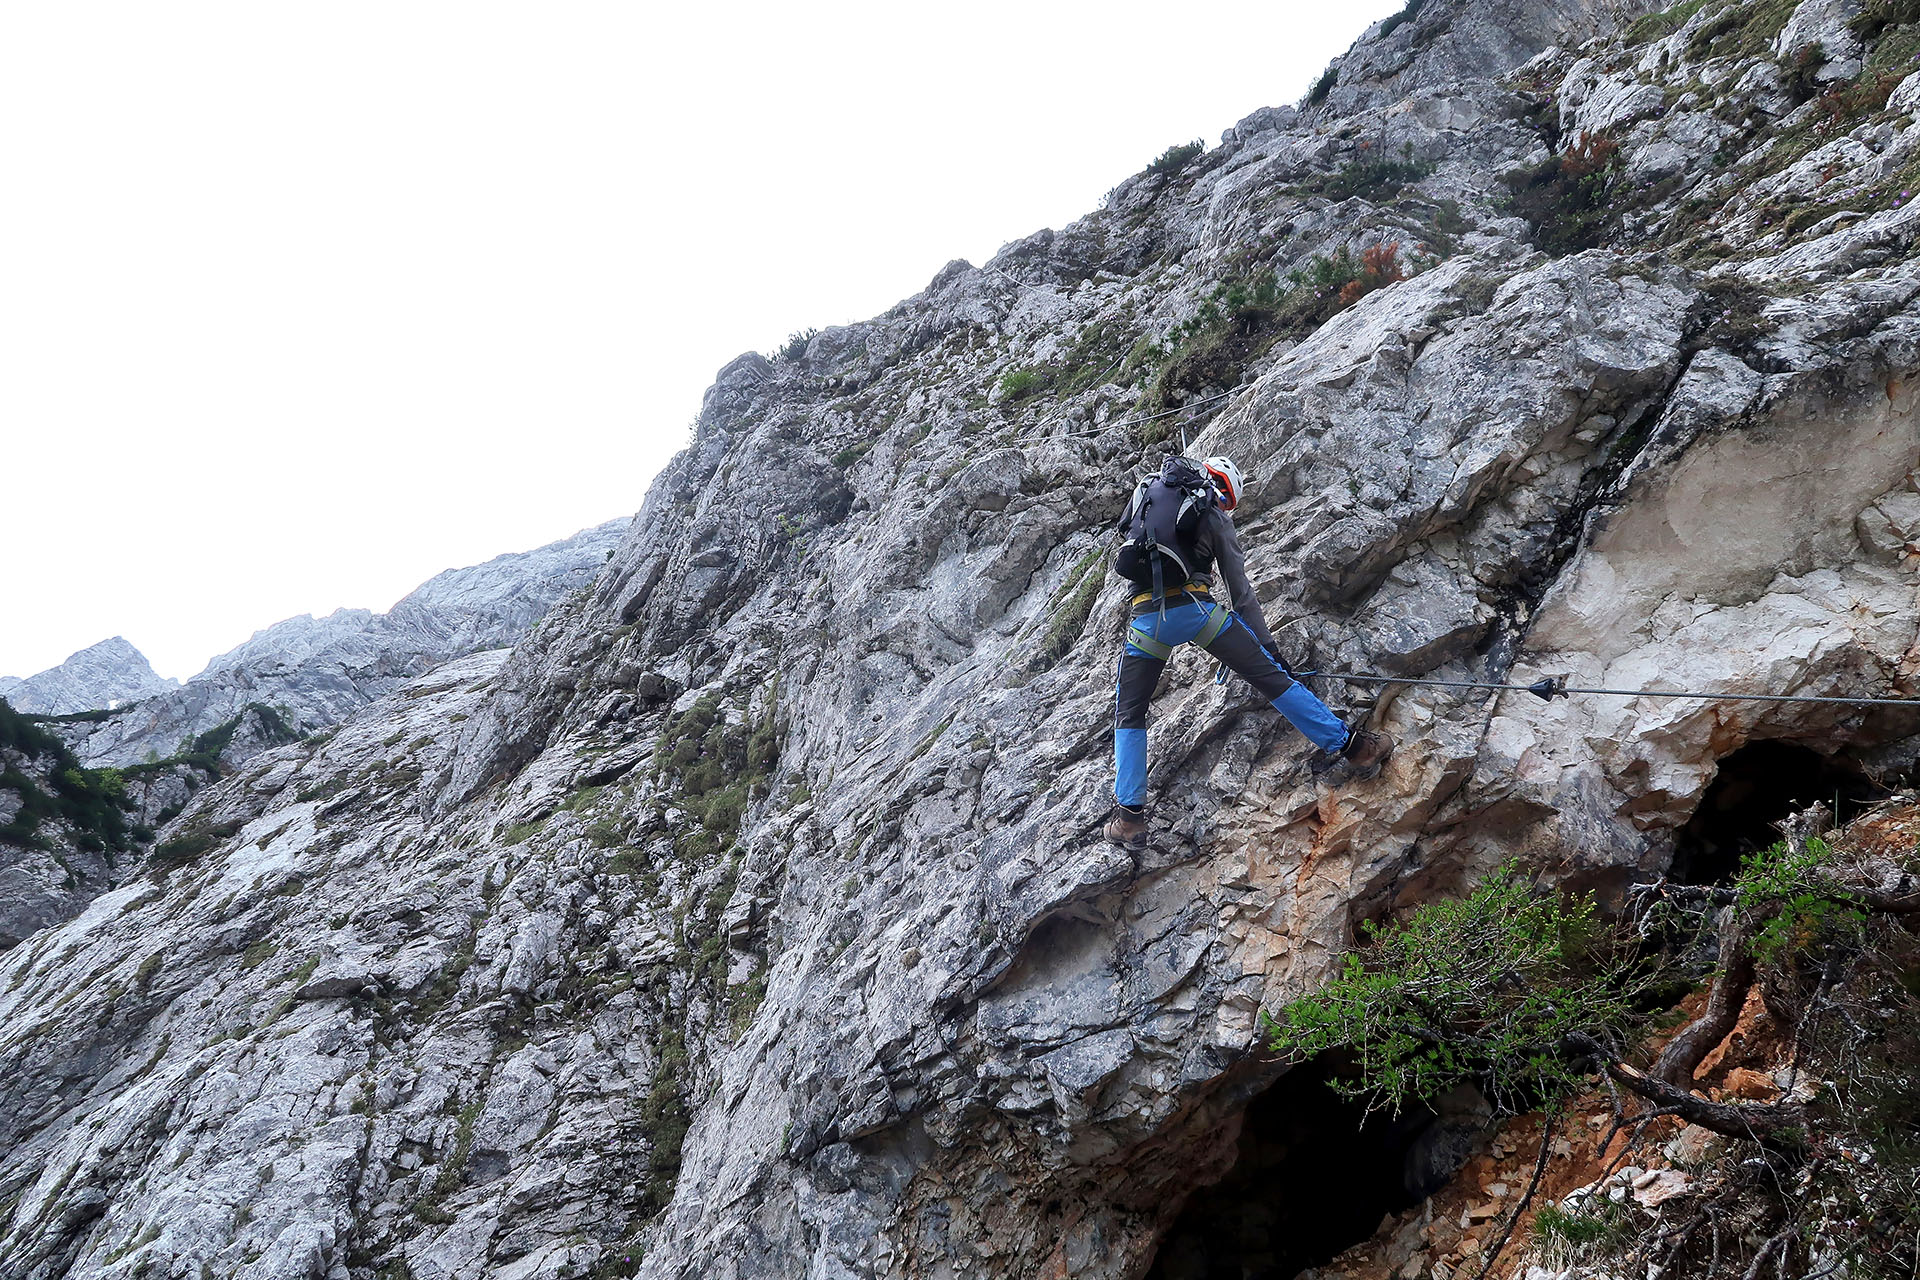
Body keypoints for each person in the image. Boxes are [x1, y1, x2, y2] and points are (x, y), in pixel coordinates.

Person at [1105, 454, 1393, 847]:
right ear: (1224, 492)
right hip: (1198, 612)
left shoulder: (1150, 496)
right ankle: (1356, 748)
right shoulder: (1212, 512)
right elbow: (1241, 593)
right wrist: (1271, 650)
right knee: (1274, 682)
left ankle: (1130, 820)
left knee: (1130, 714)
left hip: (1146, 622)